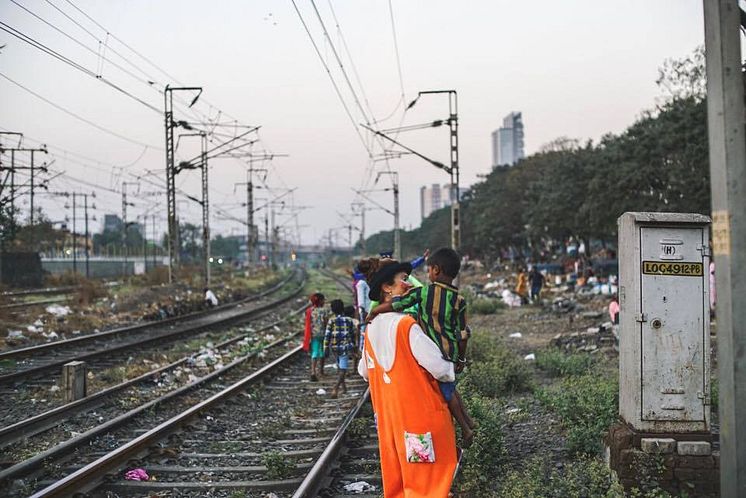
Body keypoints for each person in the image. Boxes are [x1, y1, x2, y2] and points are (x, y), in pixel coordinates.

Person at [358, 257, 458, 497]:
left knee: (403, 482)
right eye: (403, 280)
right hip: (421, 421)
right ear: (387, 288)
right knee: (429, 483)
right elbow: (441, 369)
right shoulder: (406, 325)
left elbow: (364, 370)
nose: (409, 284)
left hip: (391, 423)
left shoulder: (371, 329)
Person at [367, 248, 475, 448]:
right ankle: (467, 423)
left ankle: (467, 426)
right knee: (450, 389)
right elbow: (461, 337)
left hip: (397, 407)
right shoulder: (458, 301)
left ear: (435, 270)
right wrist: (460, 360)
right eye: (404, 278)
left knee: (447, 390)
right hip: (446, 358)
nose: (409, 283)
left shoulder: (422, 294)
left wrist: (374, 312)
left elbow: (397, 305)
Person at [324, 299, 356, 398]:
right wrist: (354, 347)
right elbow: (352, 334)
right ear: (343, 308)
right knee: (343, 369)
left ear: (333, 310)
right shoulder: (349, 320)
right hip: (345, 346)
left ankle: (344, 388)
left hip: (334, 347)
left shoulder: (331, 320)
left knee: (340, 366)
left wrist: (325, 347)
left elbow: (327, 335)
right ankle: (336, 388)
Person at [302, 293, 328, 381]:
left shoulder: (310, 310)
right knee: (322, 352)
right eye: (323, 300)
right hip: (323, 334)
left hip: (314, 334)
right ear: (320, 301)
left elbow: (308, 323)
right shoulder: (324, 310)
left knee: (315, 352)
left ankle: (313, 371)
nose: (324, 301)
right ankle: (321, 371)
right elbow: (326, 322)